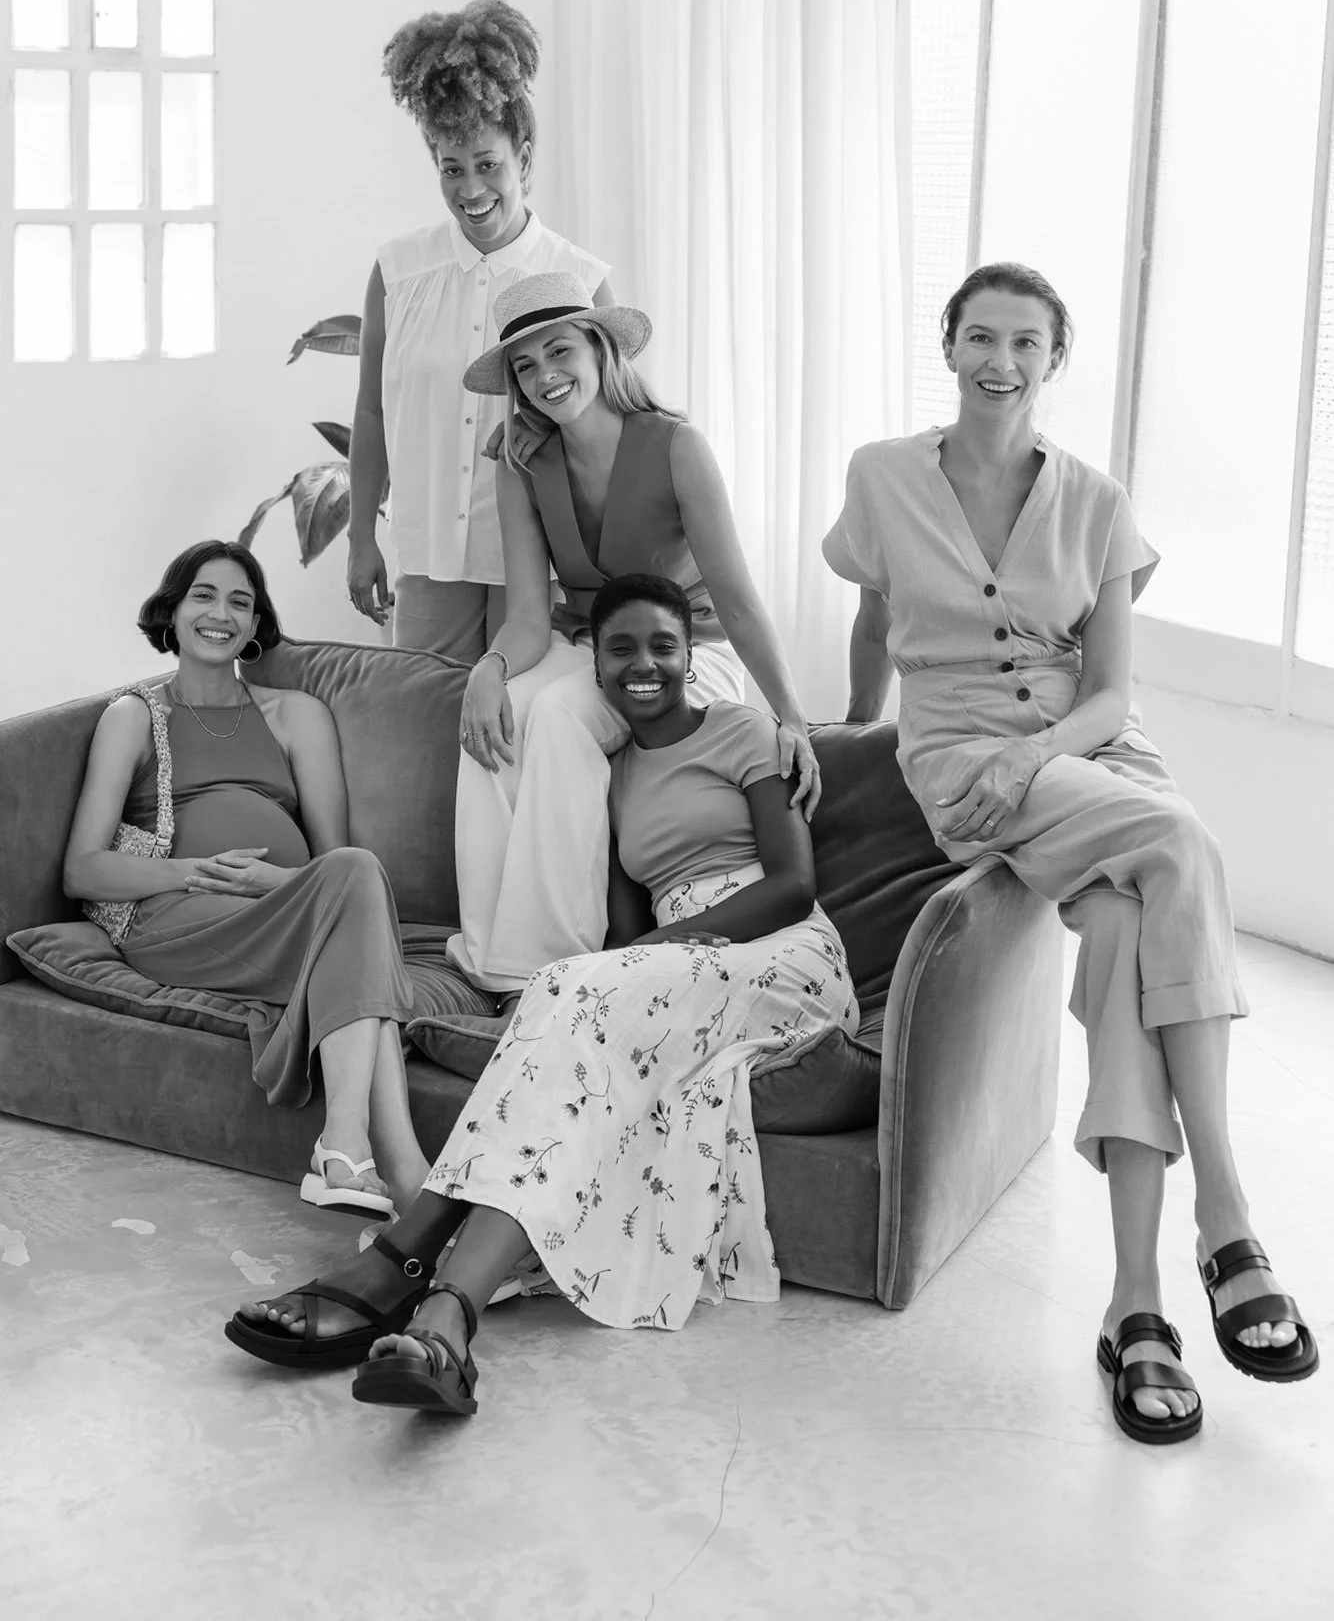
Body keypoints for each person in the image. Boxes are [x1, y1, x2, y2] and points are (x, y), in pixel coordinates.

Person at [823, 260, 1318, 1445]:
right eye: (979, 336)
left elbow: (1108, 692)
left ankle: (1134, 1297)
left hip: (1087, 748)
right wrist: (849, 730)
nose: (1000, 360)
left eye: (1025, 343)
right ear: (946, 346)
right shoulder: (882, 476)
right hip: (961, 757)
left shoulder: (1096, 499)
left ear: (1054, 361)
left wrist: (1039, 748)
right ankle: (1229, 1211)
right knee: (1181, 837)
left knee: (1118, 946)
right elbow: (870, 616)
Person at [225, 573, 855, 1410]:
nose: (644, 665)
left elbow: (791, 886)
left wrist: (637, 963)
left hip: (779, 955)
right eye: (621, 648)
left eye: (663, 646)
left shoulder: (744, 733)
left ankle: (401, 1257)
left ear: (690, 655)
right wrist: (628, 968)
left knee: (566, 986)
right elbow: (624, 924)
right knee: (580, 1070)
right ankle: (446, 1324)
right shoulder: (612, 769)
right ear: (593, 664)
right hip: (671, 971)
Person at [446, 270, 821, 995]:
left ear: (598, 348)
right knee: (495, 722)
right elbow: (527, 616)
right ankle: (490, 954)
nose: (544, 376)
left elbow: (738, 603)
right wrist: (487, 670)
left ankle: (551, 966)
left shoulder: (676, 445)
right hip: (588, 645)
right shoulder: (522, 460)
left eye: (558, 352)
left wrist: (792, 715)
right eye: (525, 367)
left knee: (555, 715)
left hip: (688, 652)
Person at [63, 541, 431, 1217]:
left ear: (257, 624)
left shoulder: (297, 715)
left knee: (357, 879)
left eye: (241, 601)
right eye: (203, 595)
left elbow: (334, 858)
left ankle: (368, 1166)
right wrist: (189, 871)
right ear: (170, 612)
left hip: (280, 908)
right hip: (176, 920)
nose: (221, 613)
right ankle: (390, 1173)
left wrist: (269, 881)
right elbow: (82, 868)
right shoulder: (135, 716)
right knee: (364, 945)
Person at [348, 0, 614, 663]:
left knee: (521, 732)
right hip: (429, 551)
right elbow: (372, 410)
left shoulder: (580, 281)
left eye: (487, 164)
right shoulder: (398, 272)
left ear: (523, 158)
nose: (471, 190)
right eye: (451, 168)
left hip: (544, 558)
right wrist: (359, 538)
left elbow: (614, 435)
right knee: (428, 735)